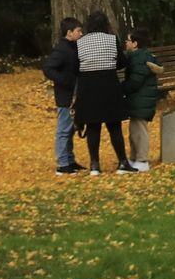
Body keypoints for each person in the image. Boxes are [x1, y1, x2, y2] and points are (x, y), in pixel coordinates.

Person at [71, 10, 126, 175]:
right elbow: (121, 62)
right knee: (114, 125)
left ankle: (95, 164)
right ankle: (123, 162)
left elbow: (76, 66)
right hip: (109, 85)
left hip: (88, 87)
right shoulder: (112, 40)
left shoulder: (80, 42)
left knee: (93, 126)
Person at [39, 16, 83, 175]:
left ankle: (69, 160)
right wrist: (65, 80)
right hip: (65, 96)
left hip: (72, 94)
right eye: (78, 31)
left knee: (70, 128)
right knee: (64, 129)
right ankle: (62, 164)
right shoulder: (62, 49)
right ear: (69, 32)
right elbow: (48, 68)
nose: (81, 33)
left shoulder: (73, 47)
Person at [120, 27, 163, 173]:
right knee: (134, 130)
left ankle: (142, 159)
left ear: (135, 43)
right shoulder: (141, 56)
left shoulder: (138, 58)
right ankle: (134, 156)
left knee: (139, 131)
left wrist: (122, 88)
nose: (126, 43)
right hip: (139, 100)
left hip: (140, 100)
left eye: (128, 40)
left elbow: (135, 81)